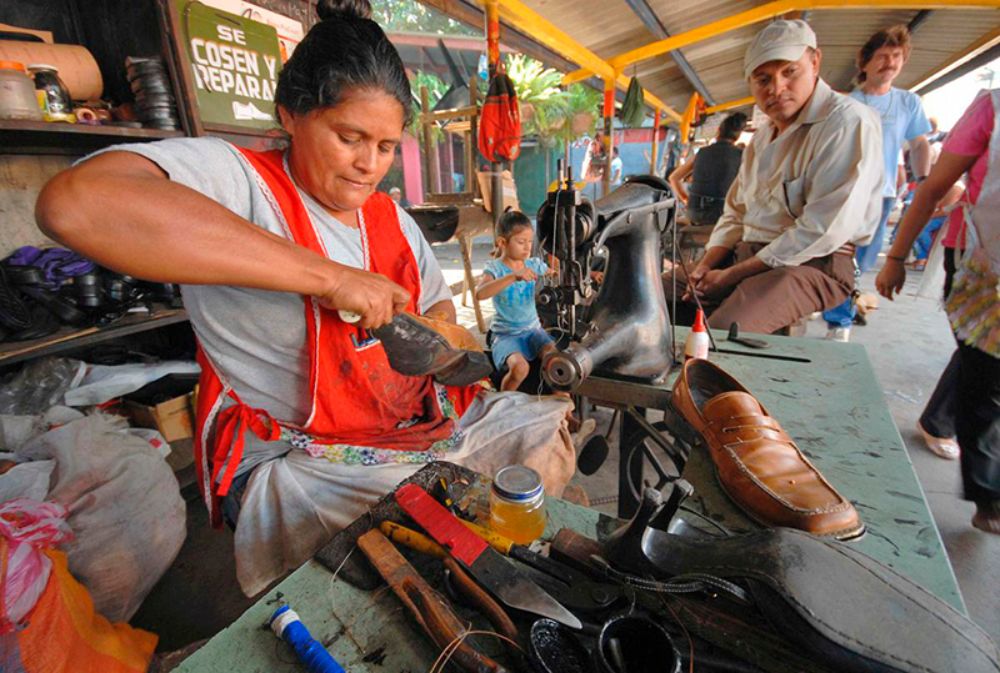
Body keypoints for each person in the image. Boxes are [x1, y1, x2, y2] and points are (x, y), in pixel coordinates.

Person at [34, 0, 576, 595]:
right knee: (431, 540)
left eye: (388, 146)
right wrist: (330, 278)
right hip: (299, 458)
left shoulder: (391, 217)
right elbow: (75, 204)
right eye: (349, 138)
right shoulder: (238, 182)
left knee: (538, 440)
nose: (369, 165)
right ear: (290, 114)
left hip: (400, 428)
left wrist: (440, 335)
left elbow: (439, 309)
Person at [661, 19, 883, 335]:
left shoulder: (846, 123)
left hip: (813, 264)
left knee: (724, 334)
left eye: (789, 72)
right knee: (650, 300)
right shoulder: (762, 139)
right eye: (763, 79)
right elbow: (735, 213)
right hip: (747, 256)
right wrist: (707, 265)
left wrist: (732, 275)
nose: (776, 88)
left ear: (815, 62)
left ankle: (710, 380)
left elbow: (821, 231)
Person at [875, 89, 1000, 534]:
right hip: (982, 265)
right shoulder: (992, 109)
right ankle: (989, 494)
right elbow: (934, 186)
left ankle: (942, 422)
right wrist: (895, 257)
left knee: (983, 364)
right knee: (984, 369)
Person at [822, 25, 932, 342]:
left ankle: (841, 302)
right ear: (865, 63)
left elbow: (919, 144)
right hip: (847, 193)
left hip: (882, 195)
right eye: (882, 56)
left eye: (896, 56)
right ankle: (838, 318)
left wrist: (923, 181)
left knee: (863, 261)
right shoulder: (845, 103)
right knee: (842, 255)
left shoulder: (908, 103)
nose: (889, 63)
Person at [476, 210, 556, 391]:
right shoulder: (495, 269)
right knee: (520, 369)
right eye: (521, 242)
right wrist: (513, 277)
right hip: (506, 335)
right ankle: (504, 404)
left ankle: (566, 412)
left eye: (530, 242)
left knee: (556, 362)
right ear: (502, 243)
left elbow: (556, 272)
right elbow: (480, 294)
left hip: (533, 330)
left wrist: (589, 274)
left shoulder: (533, 264)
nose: (528, 247)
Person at [668, 112, 747, 226]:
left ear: (719, 131)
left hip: (694, 212)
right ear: (738, 136)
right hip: (722, 215)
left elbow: (673, 178)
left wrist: (686, 199)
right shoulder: (741, 155)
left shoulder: (701, 152)